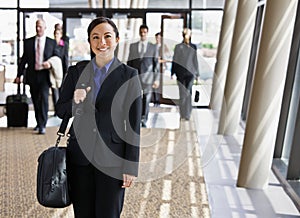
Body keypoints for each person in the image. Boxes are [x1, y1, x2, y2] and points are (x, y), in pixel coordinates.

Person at [56, 17, 142, 217]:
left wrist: (130, 166)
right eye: (95, 37)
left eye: (107, 36)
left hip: (112, 160)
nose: (101, 42)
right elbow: (61, 110)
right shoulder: (76, 72)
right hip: (79, 157)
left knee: (108, 214)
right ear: (89, 42)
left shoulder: (129, 76)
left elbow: (133, 125)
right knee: (83, 214)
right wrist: (74, 102)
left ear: (117, 40)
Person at [15, 18, 60, 134]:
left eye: (40, 26)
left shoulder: (51, 42)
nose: (38, 28)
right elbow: (23, 60)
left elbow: (57, 57)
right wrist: (19, 75)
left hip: (45, 75)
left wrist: (49, 63)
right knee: (35, 100)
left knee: (44, 99)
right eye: (37, 26)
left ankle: (43, 125)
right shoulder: (28, 42)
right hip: (32, 75)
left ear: (45, 28)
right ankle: (38, 122)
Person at [127, 24, 159, 127]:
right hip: (136, 77)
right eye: (141, 32)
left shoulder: (153, 47)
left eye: (145, 32)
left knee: (146, 99)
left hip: (148, 78)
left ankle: (144, 119)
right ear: (139, 33)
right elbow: (129, 63)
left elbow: (156, 64)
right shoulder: (133, 46)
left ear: (147, 33)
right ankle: (136, 117)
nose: (143, 34)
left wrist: (156, 79)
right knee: (136, 98)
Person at [171, 28, 200, 120]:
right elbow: (174, 60)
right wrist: (172, 72)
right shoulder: (178, 47)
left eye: (188, 33)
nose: (186, 35)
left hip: (190, 73)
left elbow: (195, 60)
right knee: (182, 94)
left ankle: (187, 114)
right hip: (180, 73)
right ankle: (183, 113)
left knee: (188, 92)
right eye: (185, 33)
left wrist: (197, 73)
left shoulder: (193, 47)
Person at [51, 26, 69, 116]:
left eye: (57, 34)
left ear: (61, 35)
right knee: (54, 91)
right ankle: (56, 110)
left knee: (62, 92)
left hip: (62, 71)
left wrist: (66, 71)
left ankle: (61, 110)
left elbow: (65, 57)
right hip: (54, 71)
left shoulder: (64, 44)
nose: (56, 35)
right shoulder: (52, 44)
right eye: (55, 34)